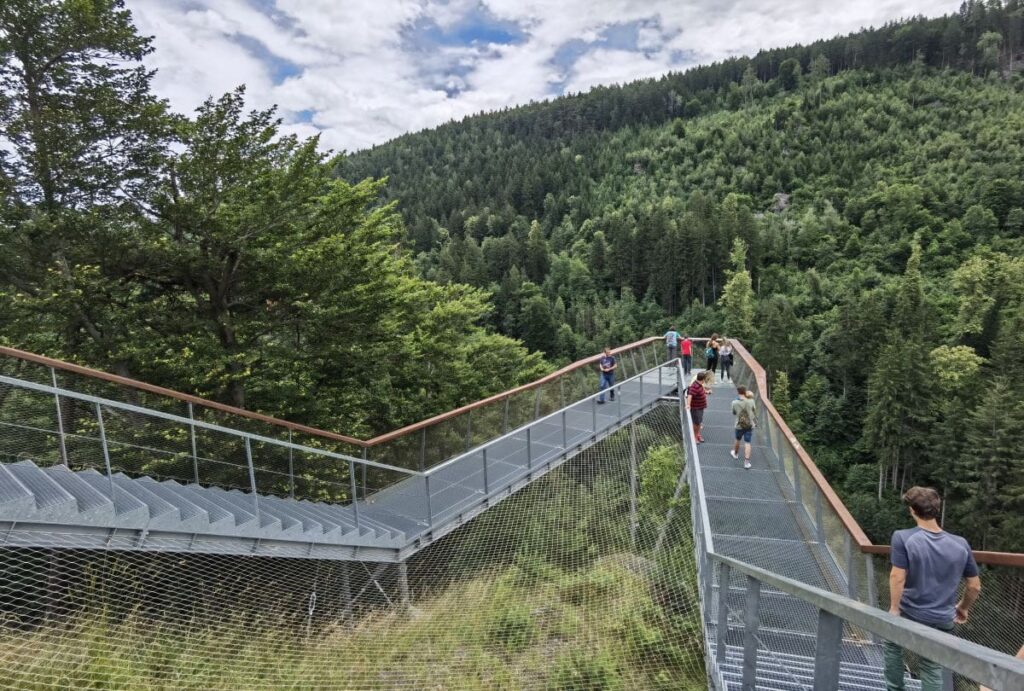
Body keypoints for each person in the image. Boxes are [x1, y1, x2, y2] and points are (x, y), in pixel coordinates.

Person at [884, 487, 982, 691]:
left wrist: (894, 608)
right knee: (931, 665)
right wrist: (962, 608)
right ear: (936, 509)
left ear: (912, 510)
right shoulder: (960, 544)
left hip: (910, 613)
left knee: (893, 646)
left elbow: (897, 576)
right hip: (943, 618)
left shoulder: (902, 537)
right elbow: (974, 586)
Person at [730, 385, 755, 469]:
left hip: (739, 425)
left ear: (738, 392)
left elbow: (733, 413)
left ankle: (736, 454)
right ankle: (746, 462)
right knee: (747, 442)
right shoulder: (751, 401)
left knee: (738, 439)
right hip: (749, 425)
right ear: (745, 392)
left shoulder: (734, 402)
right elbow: (754, 410)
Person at [685, 371, 709, 443]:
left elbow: (700, 391)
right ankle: (694, 438)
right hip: (696, 408)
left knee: (698, 423)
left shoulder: (699, 385)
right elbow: (690, 395)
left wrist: (706, 392)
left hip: (700, 408)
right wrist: (688, 404)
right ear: (703, 379)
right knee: (696, 423)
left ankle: (697, 436)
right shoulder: (695, 386)